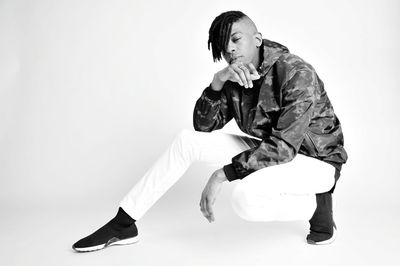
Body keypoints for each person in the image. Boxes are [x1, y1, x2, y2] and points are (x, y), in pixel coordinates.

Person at [72, 10, 347, 252]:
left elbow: (285, 147)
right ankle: (123, 224)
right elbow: (202, 128)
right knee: (186, 141)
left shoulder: (296, 72)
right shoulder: (233, 77)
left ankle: (318, 206)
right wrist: (216, 84)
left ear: (258, 39)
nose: (230, 51)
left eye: (236, 40)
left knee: (244, 199)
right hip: (273, 152)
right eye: (224, 47)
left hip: (316, 162)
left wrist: (222, 174)